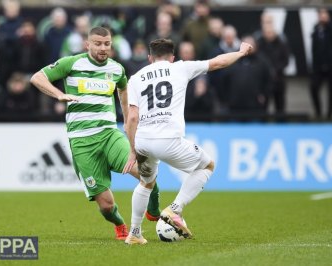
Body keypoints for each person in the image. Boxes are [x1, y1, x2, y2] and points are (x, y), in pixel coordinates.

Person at [30, 26, 161, 241]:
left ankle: (154, 210)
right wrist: (59, 94)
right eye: (98, 44)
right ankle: (119, 224)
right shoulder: (71, 63)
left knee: (145, 172)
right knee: (107, 205)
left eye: (107, 44)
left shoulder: (117, 69)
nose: (102, 48)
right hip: (82, 142)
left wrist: (129, 121)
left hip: (109, 134)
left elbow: (123, 90)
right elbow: (37, 78)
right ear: (87, 44)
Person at [122, 38, 252, 244]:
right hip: (168, 140)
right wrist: (241, 52)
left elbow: (131, 117)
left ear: (149, 58)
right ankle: (175, 209)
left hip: (143, 141)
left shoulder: (136, 78)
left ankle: (135, 233)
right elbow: (218, 62)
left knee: (146, 183)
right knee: (207, 165)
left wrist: (132, 149)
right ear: (172, 57)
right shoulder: (181, 68)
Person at [309, 7, 332, 119]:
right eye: (320, 14)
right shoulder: (316, 30)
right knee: (313, 88)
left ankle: (329, 114)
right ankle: (318, 112)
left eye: (324, 14)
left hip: (330, 66)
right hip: (318, 67)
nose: (322, 16)